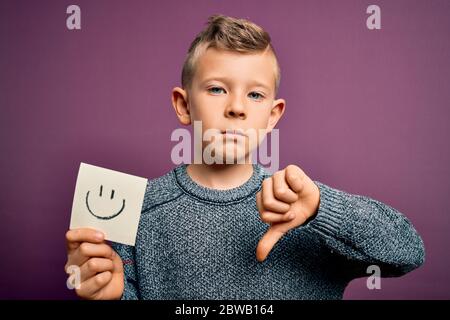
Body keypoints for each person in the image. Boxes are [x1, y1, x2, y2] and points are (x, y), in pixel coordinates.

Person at [65, 14, 425, 300]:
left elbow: (408, 252)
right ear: (183, 104)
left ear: (272, 115)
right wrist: (109, 297)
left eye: (255, 95)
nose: (236, 108)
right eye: (217, 89)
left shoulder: (304, 209)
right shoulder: (134, 214)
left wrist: (321, 208)